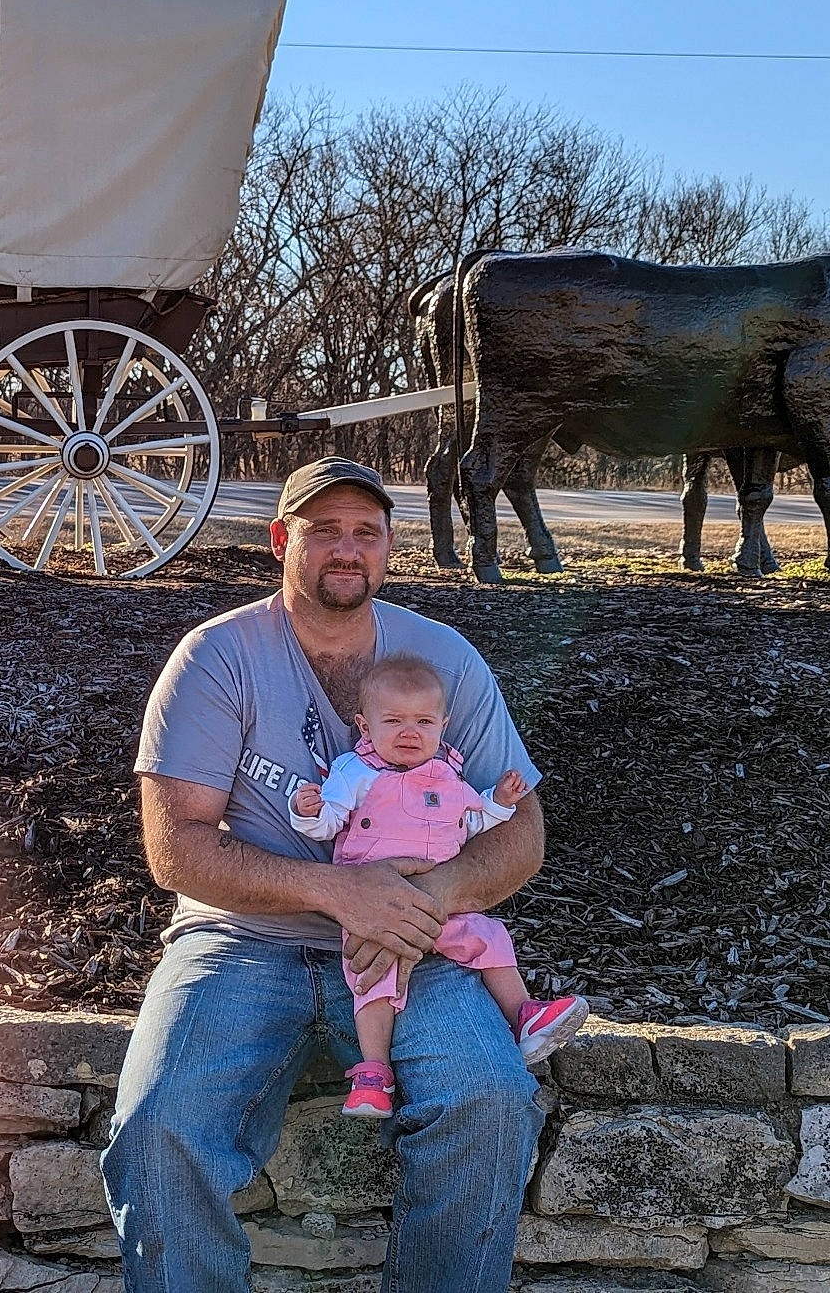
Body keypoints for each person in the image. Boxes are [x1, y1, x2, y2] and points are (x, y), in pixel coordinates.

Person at [102, 456, 552, 1293]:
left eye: (366, 533)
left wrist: (429, 898)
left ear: (388, 549)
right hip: (240, 942)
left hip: (415, 949)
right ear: (282, 541)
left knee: (490, 1102)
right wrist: (337, 890)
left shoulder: (442, 659)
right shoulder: (216, 657)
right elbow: (177, 851)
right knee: (160, 1127)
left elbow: (519, 826)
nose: (346, 549)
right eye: (323, 530)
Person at [289, 652, 588, 1118]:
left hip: (442, 904)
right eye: (394, 721)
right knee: (374, 978)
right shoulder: (355, 771)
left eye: (424, 722)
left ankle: (524, 1014)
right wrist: (307, 811)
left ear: (443, 725)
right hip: (374, 903)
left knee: (488, 938)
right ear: (365, 727)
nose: (410, 733)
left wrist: (501, 802)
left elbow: (473, 821)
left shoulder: (447, 774)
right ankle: (373, 1072)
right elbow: (330, 821)